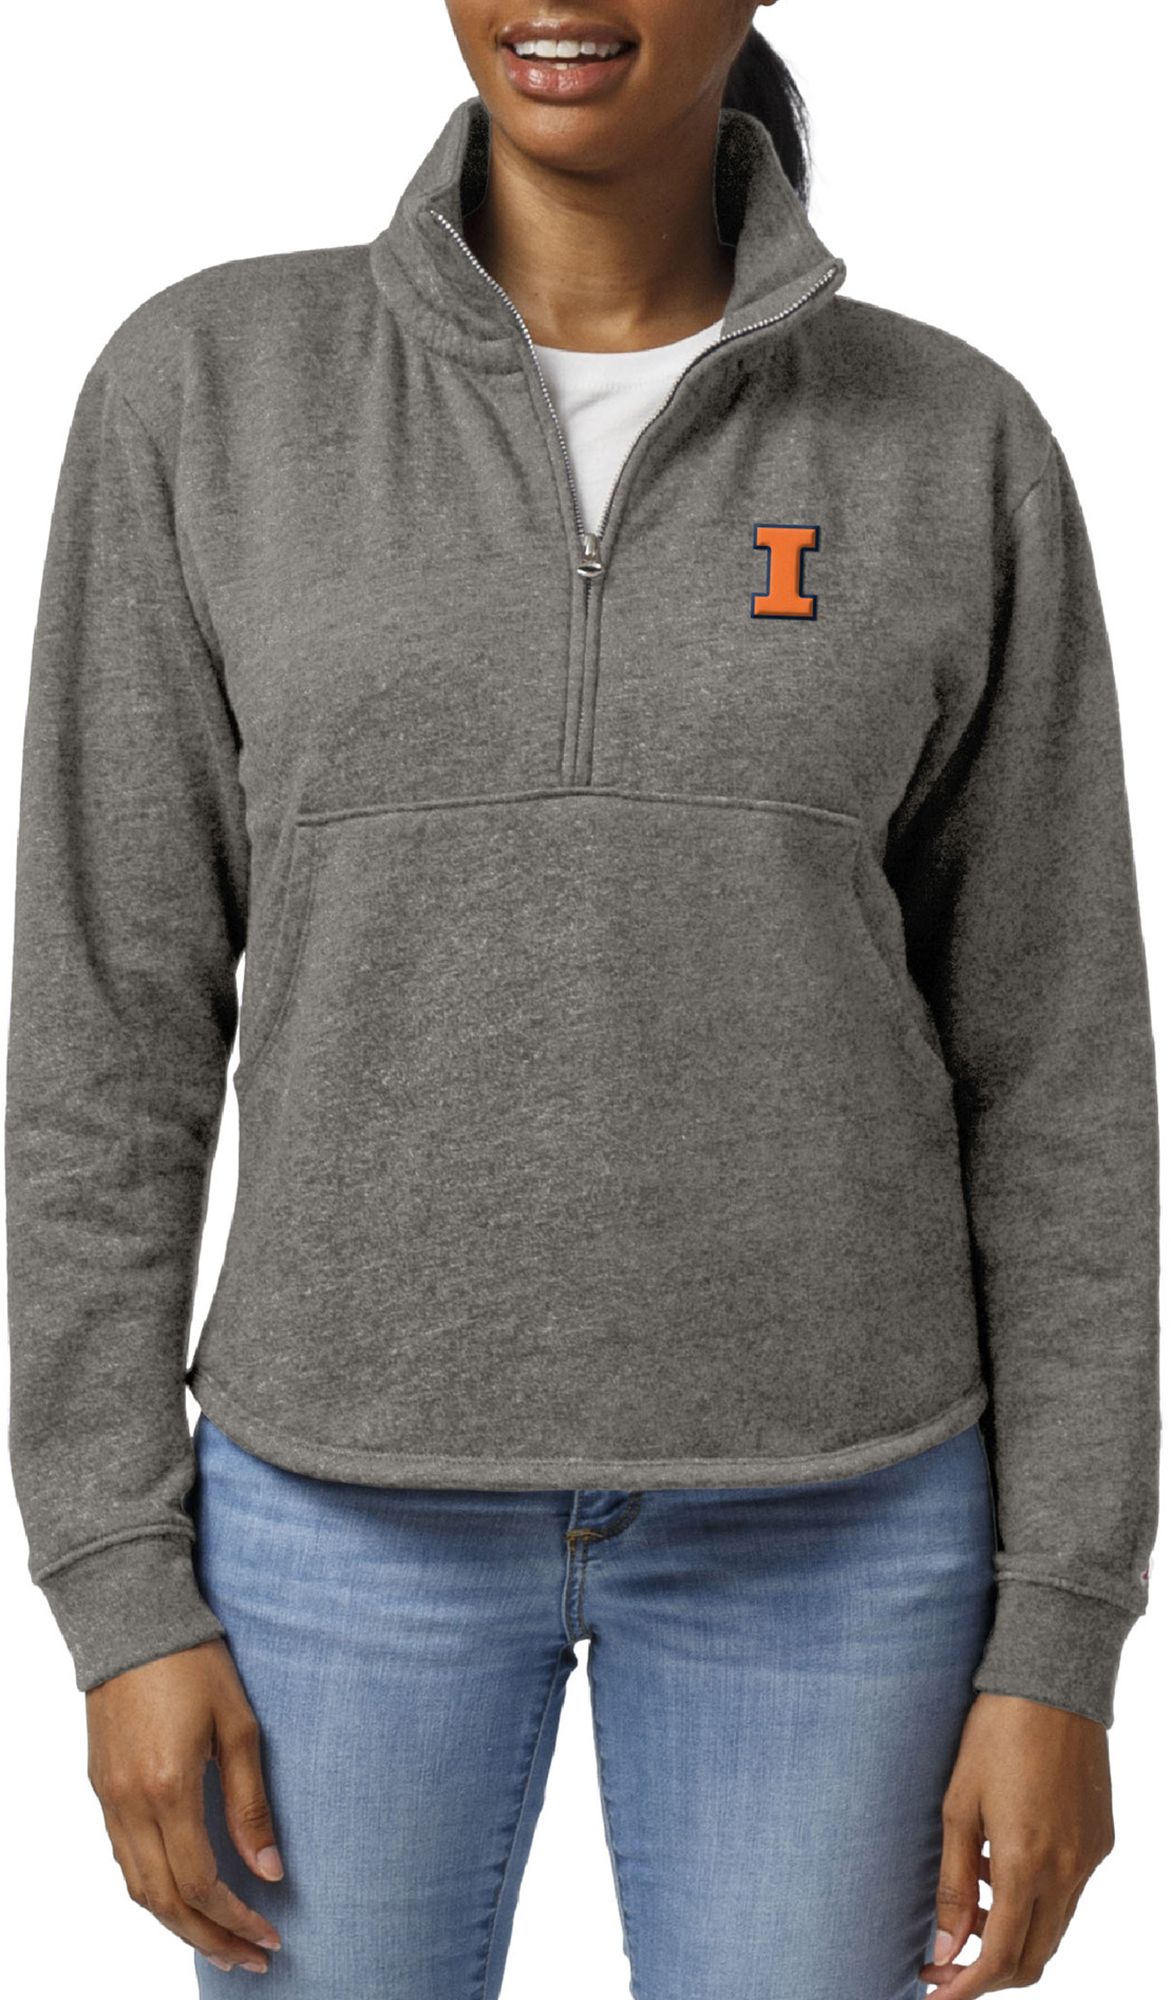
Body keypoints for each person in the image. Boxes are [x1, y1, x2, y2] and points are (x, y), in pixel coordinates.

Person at [5, 4, 1159, 1996]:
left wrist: (1060, 1634)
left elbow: (1060, 1075)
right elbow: (103, 1033)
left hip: (842, 1527)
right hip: (331, 1515)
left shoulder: (949, 439)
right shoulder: (208, 389)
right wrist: (118, 1584)